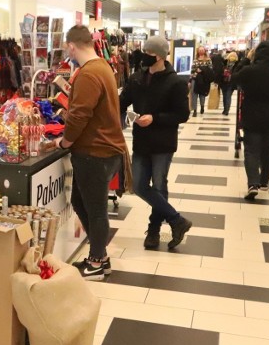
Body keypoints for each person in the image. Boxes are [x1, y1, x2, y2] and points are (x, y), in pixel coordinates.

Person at [56, 25, 130, 281]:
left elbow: (79, 115)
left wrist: (65, 142)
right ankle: (99, 256)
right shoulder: (103, 67)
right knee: (81, 201)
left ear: (72, 46)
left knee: (95, 208)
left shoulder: (88, 74)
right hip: (104, 149)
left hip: (95, 151)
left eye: (68, 48)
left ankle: (97, 262)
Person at [120, 36, 193, 250]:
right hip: (142, 142)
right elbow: (122, 103)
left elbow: (182, 114)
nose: (144, 56)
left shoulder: (176, 82)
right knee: (139, 185)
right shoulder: (136, 79)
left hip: (163, 143)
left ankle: (153, 231)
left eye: (149, 53)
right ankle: (176, 220)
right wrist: (131, 116)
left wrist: (155, 118)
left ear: (160, 56)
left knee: (159, 186)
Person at [232, 41, 269, 200]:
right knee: (267, 149)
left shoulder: (249, 71)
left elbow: (233, 78)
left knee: (251, 150)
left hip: (251, 113)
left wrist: (245, 61)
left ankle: (252, 183)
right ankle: (264, 182)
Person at [190, 46, 214, 117]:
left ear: (204, 51)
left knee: (202, 94)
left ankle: (202, 106)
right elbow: (192, 70)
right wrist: (190, 79)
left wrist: (202, 70)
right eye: (199, 50)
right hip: (195, 78)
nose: (201, 51)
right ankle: (194, 110)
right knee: (194, 94)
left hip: (204, 80)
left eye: (202, 50)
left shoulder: (208, 60)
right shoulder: (195, 60)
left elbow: (210, 70)